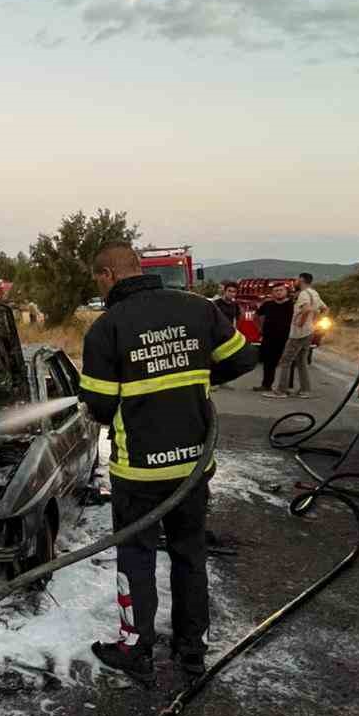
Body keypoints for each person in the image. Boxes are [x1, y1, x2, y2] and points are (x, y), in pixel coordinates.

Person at [79, 244, 257, 684]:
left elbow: (100, 405)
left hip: (138, 473)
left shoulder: (107, 328)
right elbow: (241, 358)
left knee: (136, 557)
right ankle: (191, 650)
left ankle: (136, 649)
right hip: (193, 467)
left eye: (97, 280)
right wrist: (194, 381)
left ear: (106, 275)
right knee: (188, 554)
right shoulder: (199, 309)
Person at [267, 272, 324, 399]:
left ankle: (280, 391)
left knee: (285, 361)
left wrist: (300, 322)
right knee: (301, 361)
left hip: (299, 334)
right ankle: (305, 390)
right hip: (310, 331)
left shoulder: (304, 294)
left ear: (301, 280)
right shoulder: (314, 293)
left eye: (298, 279)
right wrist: (313, 321)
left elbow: (307, 309)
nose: (296, 282)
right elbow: (324, 309)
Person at [252, 282, 294, 392]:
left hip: (287, 338)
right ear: (272, 293)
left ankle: (286, 387)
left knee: (287, 363)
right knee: (268, 363)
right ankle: (266, 385)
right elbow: (256, 316)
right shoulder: (268, 304)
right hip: (269, 338)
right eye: (276, 291)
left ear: (286, 292)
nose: (279, 292)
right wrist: (260, 328)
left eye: (281, 290)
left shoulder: (292, 305)